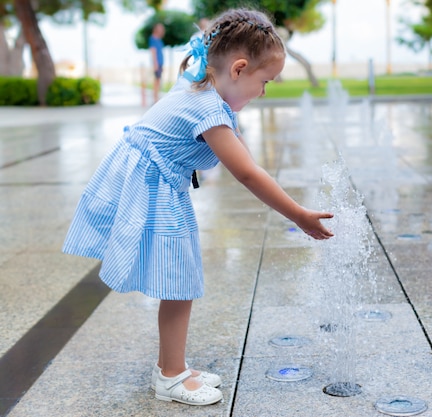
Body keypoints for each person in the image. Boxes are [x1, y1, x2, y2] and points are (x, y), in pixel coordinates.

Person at [62, 8, 334, 407]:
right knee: (179, 278)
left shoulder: (200, 84)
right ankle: (170, 375)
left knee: (179, 279)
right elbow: (247, 173)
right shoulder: (206, 108)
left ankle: (173, 366)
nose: (264, 92)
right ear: (239, 69)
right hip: (150, 186)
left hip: (151, 180)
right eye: (265, 82)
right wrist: (298, 215)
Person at [149, 23, 165, 103]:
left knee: (158, 80)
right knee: (156, 80)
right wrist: (155, 64)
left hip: (160, 62)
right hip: (157, 63)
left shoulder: (159, 39)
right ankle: (155, 98)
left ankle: (156, 96)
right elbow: (153, 51)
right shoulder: (153, 39)